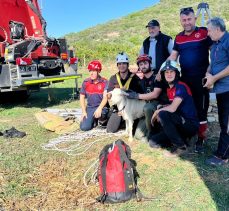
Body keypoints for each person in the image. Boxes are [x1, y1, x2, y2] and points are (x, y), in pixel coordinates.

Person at [167, 7, 212, 153]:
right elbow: (173, 57)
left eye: (189, 19)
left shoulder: (204, 33)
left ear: (194, 19)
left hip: (201, 80)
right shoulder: (178, 37)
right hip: (185, 80)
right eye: (184, 20)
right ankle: (187, 135)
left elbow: (215, 52)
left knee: (201, 109)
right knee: (185, 109)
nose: (187, 22)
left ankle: (201, 138)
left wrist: (210, 73)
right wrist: (161, 70)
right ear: (181, 21)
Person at [149, 60, 199, 155]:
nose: (169, 74)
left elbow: (172, 109)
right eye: (166, 72)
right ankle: (183, 140)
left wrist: (157, 111)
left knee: (162, 114)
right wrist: (163, 106)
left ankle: (181, 147)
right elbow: (175, 105)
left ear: (177, 73)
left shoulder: (181, 87)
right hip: (178, 123)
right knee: (153, 142)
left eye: (172, 71)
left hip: (189, 124)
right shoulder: (169, 89)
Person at [204, 17, 229, 166]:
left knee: (226, 123)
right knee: (223, 121)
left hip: (227, 89)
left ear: (218, 29)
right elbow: (212, 65)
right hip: (220, 90)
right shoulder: (215, 45)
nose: (207, 33)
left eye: (209, 30)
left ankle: (222, 155)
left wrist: (215, 78)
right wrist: (208, 75)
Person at [127, 54, 168, 141]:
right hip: (148, 108)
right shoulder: (142, 81)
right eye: (141, 64)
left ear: (150, 64)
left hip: (160, 105)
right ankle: (153, 130)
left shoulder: (157, 76)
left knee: (148, 107)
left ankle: (152, 133)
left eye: (145, 63)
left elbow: (155, 94)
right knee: (138, 136)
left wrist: (137, 96)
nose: (143, 66)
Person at [106, 52, 143, 133]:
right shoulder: (113, 78)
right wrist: (109, 95)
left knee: (135, 131)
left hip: (133, 109)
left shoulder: (135, 78)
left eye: (124, 64)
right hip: (119, 109)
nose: (121, 66)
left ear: (127, 64)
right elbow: (109, 94)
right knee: (110, 130)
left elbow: (141, 94)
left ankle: (133, 121)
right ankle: (122, 122)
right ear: (117, 65)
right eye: (119, 64)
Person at [80, 60, 108, 131]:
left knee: (103, 114)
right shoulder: (86, 82)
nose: (91, 73)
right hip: (90, 107)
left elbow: (105, 98)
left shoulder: (105, 82)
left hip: (102, 107)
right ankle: (93, 120)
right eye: (90, 71)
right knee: (84, 127)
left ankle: (102, 121)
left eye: (94, 71)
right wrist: (83, 111)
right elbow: (82, 97)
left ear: (98, 71)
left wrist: (100, 108)